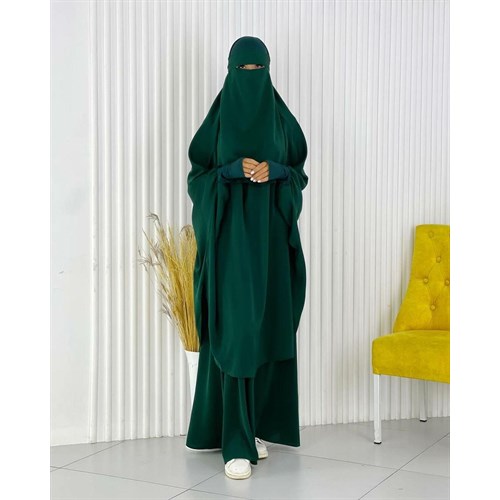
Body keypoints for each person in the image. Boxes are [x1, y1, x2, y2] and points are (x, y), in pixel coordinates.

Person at [185, 35, 308, 480]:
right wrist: (229, 172)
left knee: (266, 331)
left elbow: (298, 174)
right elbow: (198, 179)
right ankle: (235, 443)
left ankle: (251, 427)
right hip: (230, 245)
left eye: (259, 69)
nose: (252, 77)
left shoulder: (281, 120)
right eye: (244, 70)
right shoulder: (217, 122)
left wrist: (277, 172)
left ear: (269, 71)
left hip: (272, 243)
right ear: (230, 71)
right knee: (236, 334)